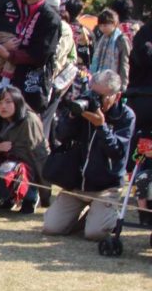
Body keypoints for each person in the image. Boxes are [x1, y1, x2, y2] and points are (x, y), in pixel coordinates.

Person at [42, 69, 135, 241]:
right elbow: (61, 135)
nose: (96, 100)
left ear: (117, 95)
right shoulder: (81, 105)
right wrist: (72, 116)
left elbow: (117, 152)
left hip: (106, 187)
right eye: (94, 93)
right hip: (77, 184)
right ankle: (90, 215)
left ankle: (98, 215)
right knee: (51, 228)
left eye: (102, 96)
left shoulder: (125, 115)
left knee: (95, 234)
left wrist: (101, 126)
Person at [0, 0, 62, 115]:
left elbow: (41, 55)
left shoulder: (49, 17)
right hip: (10, 84)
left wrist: (9, 55)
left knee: (28, 133)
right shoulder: (19, 8)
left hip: (32, 87)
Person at [0, 87, 47, 214]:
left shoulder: (29, 120)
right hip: (3, 162)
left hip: (27, 167)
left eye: (8, 102)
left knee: (8, 168)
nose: (3, 106)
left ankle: (30, 197)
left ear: (17, 102)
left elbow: (36, 155)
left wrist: (44, 190)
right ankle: (9, 197)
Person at [90, 8, 131, 93]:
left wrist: (123, 85)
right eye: (100, 26)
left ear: (114, 23)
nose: (102, 28)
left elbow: (125, 63)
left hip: (114, 83)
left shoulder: (121, 39)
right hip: (100, 82)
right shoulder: (103, 39)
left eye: (105, 25)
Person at [63, 0, 92, 68]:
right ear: (80, 12)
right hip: (81, 71)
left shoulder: (61, 28)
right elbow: (92, 51)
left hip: (62, 68)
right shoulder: (86, 31)